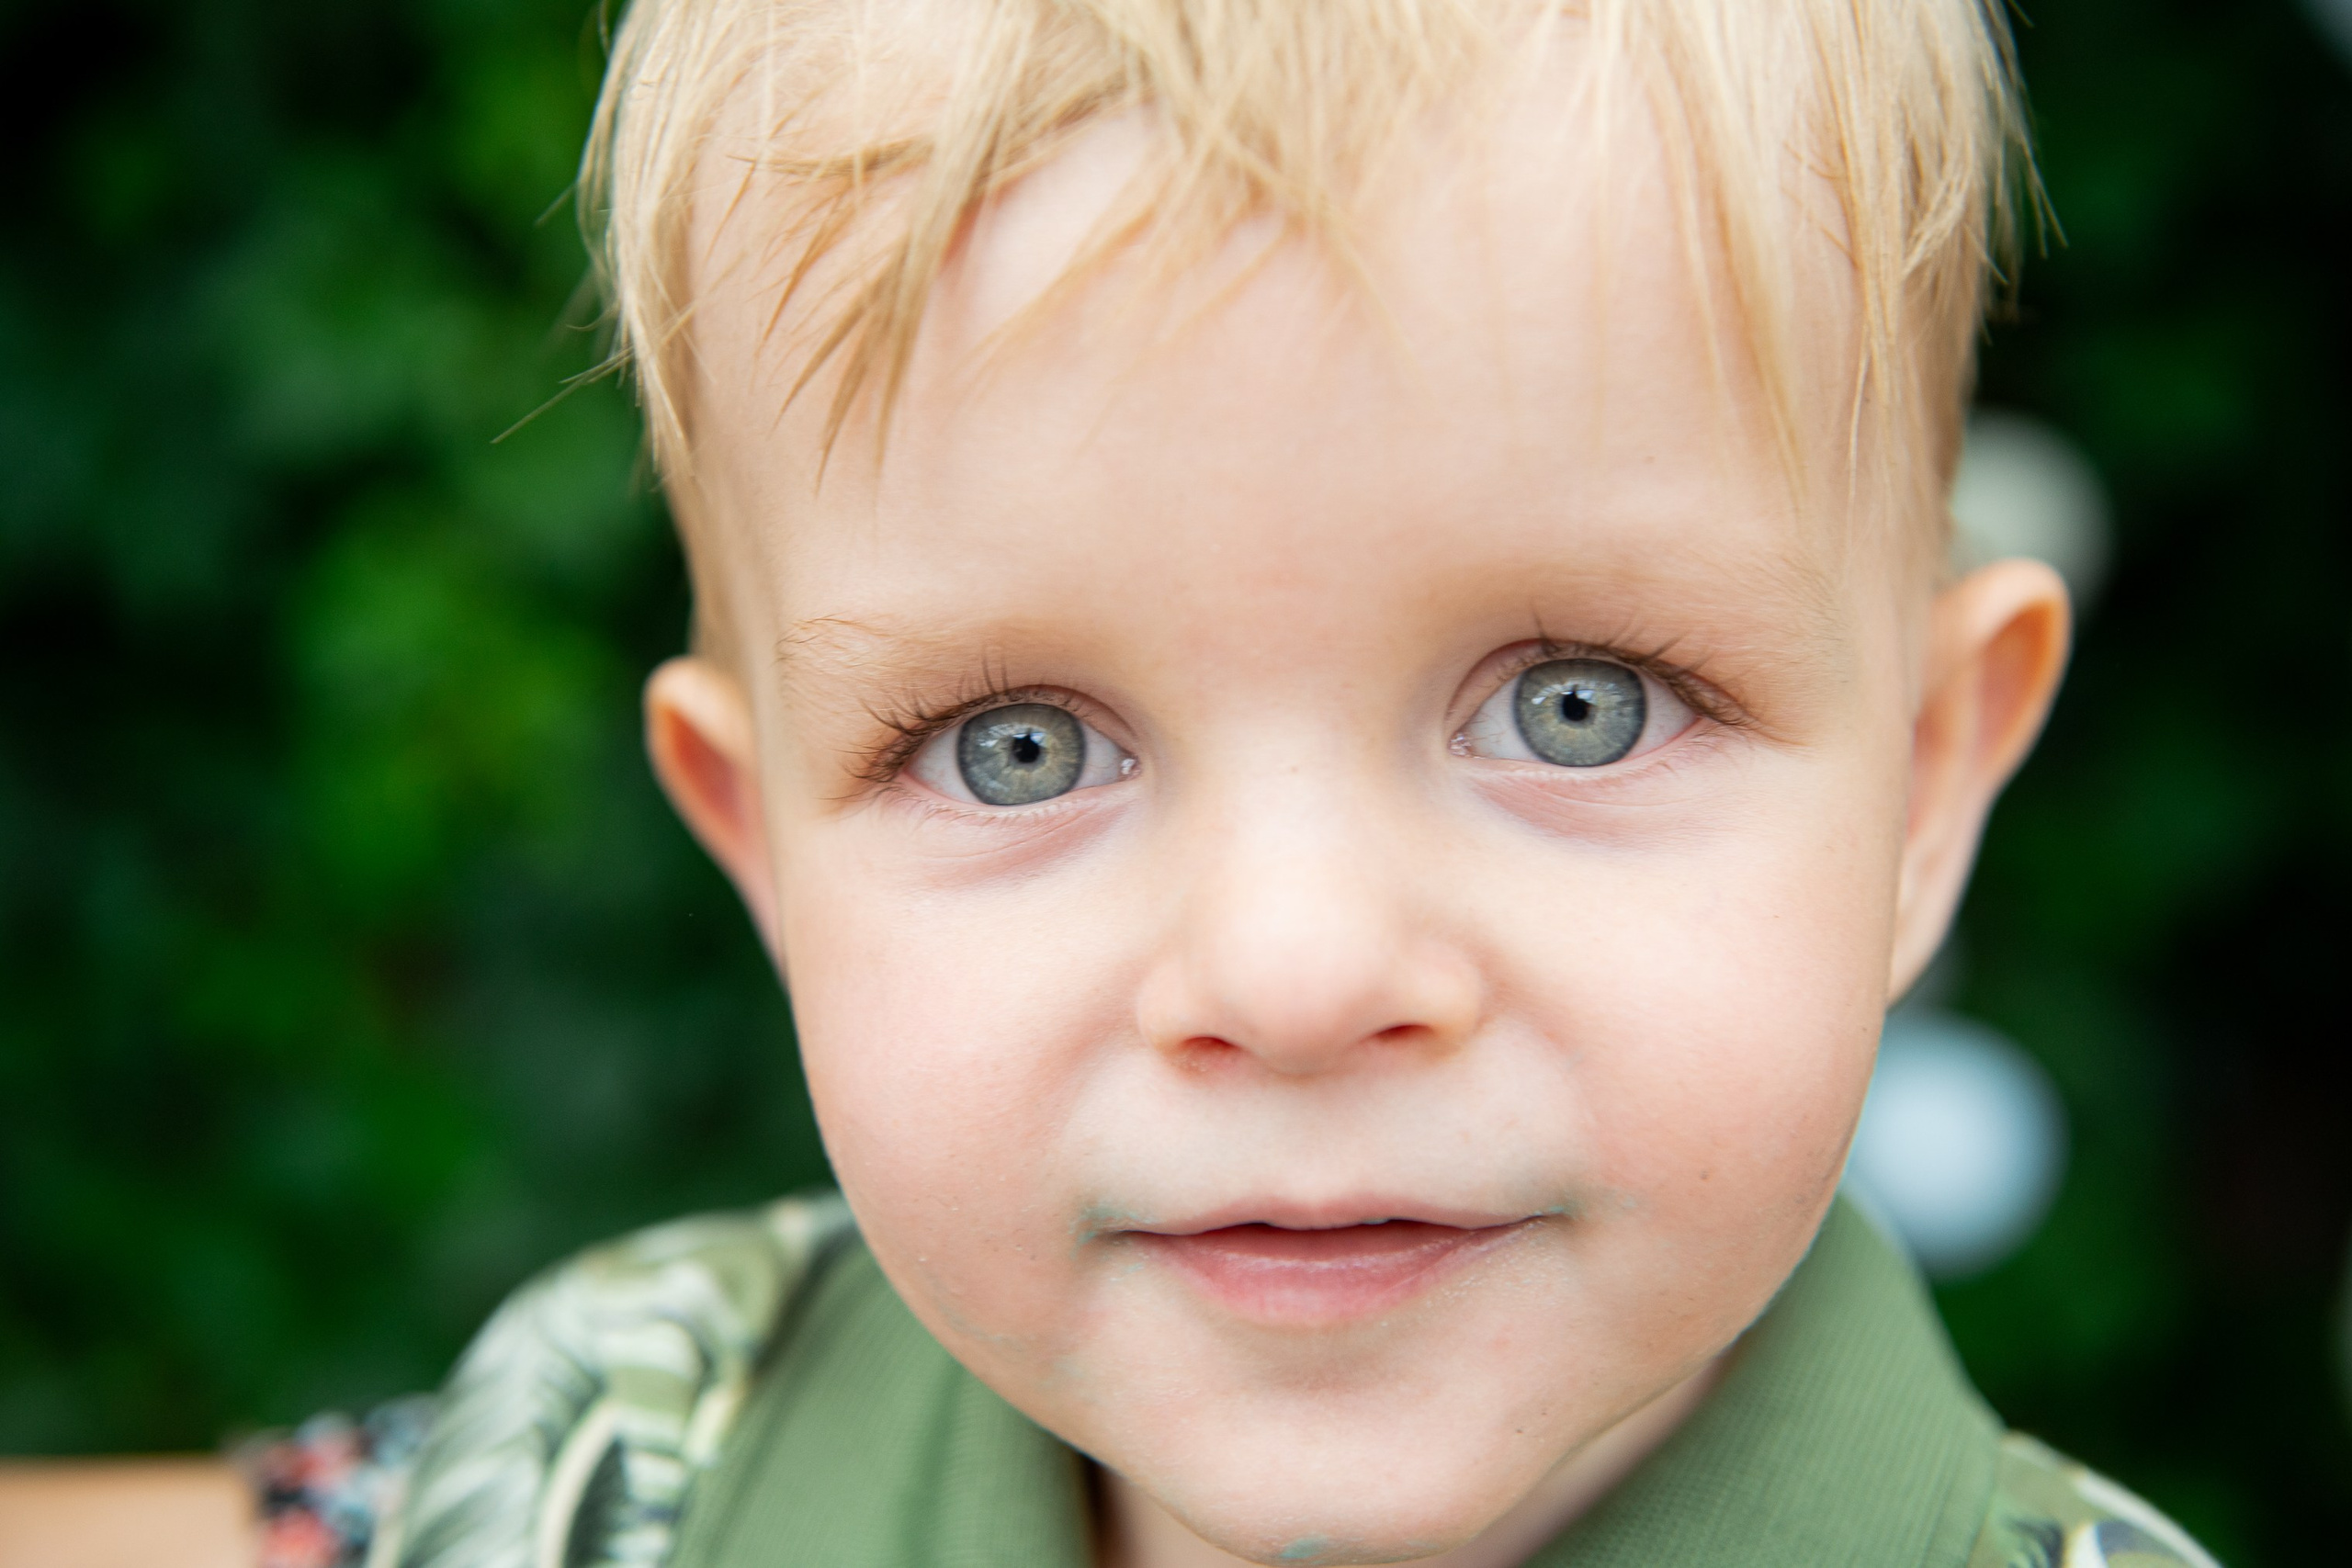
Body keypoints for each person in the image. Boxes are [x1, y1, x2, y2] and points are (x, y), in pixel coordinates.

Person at [0, 3, 2225, 1565]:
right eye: (1017, 747)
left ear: (1926, 779)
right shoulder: (646, 1437)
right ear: (759, 840)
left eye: (1580, 703)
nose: (1288, 968)